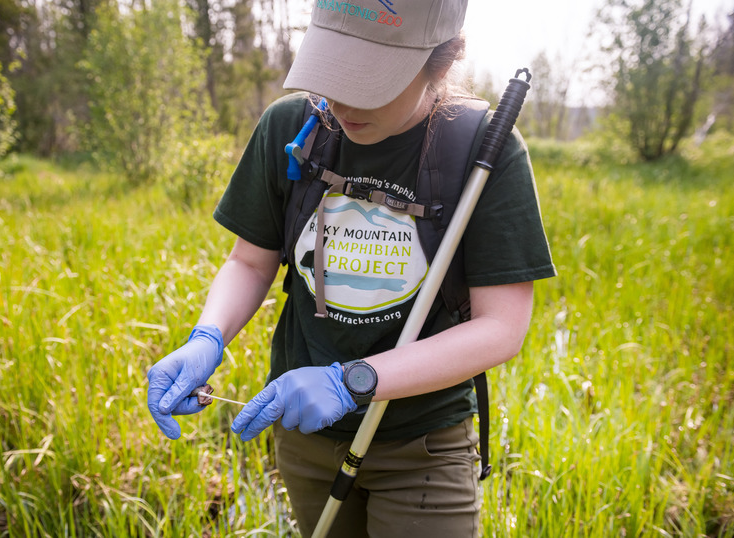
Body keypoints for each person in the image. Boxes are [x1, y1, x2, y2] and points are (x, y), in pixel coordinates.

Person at [146, 0, 556, 536]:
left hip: (421, 443)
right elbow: (249, 261)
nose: (340, 103)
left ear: (441, 59)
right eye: (332, 70)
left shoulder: (484, 148)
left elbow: (500, 328)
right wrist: (207, 335)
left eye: (367, 80)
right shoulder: (292, 127)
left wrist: (353, 381)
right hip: (304, 440)